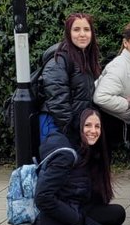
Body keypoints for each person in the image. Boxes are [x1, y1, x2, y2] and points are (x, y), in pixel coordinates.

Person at [18, 109, 125, 225]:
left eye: (97, 126)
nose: (93, 130)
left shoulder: (85, 151)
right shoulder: (66, 156)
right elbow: (43, 197)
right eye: (88, 125)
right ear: (78, 127)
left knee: (116, 213)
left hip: (72, 216)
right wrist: (74, 218)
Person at [39, 12, 101, 145]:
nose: (82, 34)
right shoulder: (60, 59)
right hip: (56, 125)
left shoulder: (87, 59)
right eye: (76, 29)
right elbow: (57, 98)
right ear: (68, 33)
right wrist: (70, 127)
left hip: (74, 126)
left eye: (86, 29)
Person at [93, 22, 130, 151]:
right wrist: (126, 105)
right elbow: (100, 97)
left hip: (117, 125)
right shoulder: (119, 66)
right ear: (126, 43)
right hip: (107, 125)